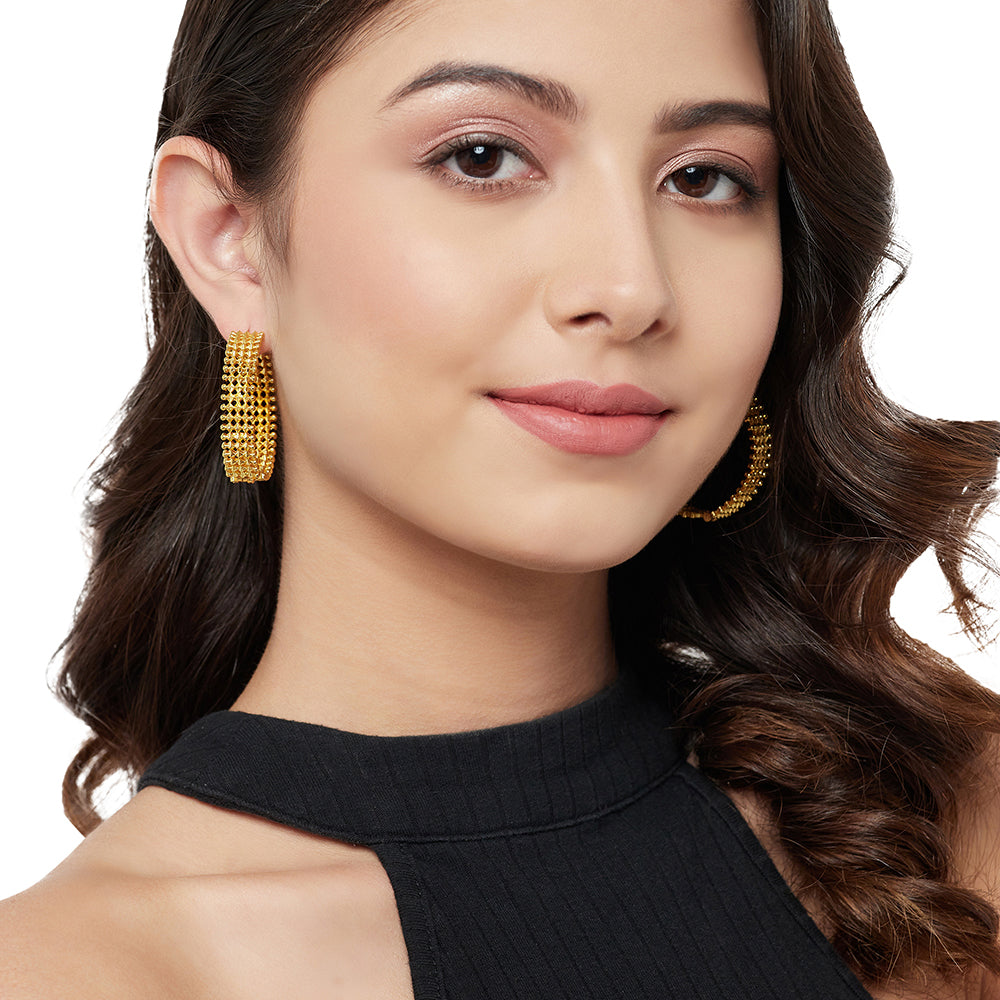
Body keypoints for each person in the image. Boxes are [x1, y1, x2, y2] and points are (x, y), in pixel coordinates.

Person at [2, 0, 998, 997]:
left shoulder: (943, 838)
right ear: (228, 236)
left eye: (705, 178)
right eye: (481, 158)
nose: (632, 288)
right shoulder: (74, 971)